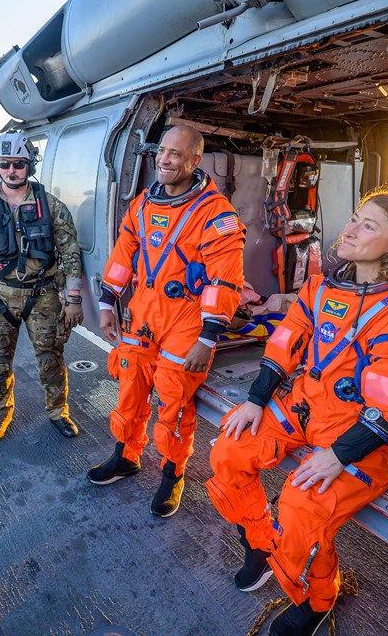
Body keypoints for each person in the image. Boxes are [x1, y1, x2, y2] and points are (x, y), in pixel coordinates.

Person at [206, 192, 388, 635]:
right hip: (305, 406)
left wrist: (338, 455)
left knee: (300, 508)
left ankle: (317, 600)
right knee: (229, 451)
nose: (351, 229)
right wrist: (256, 399)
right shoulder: (321, 287)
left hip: (362, 434)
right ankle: (261, 545)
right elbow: (285, 343)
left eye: (368, 226)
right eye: (354, 218)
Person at [88, 125, 246, 518]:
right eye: (162, 151)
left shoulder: (216, 213)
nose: (165, 159)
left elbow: (224, 279)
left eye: (176, 154)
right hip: (144, 312)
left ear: (195, 161)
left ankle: (173, 472)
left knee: (173, 400)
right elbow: (123, 254)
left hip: (185, 320)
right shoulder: (142, 204)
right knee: (130, 387)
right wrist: (107, 301)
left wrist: (208, 338)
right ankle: (126, 455)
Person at [0, 130, 84, 443]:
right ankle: (0, 415)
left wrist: (73, 299)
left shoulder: (51, 207)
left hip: (43, 295)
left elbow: (70, 252)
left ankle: (58, 411)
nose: (12, 170)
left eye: (19, 164)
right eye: (5, 164)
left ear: (30, 165)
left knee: (51, 359)